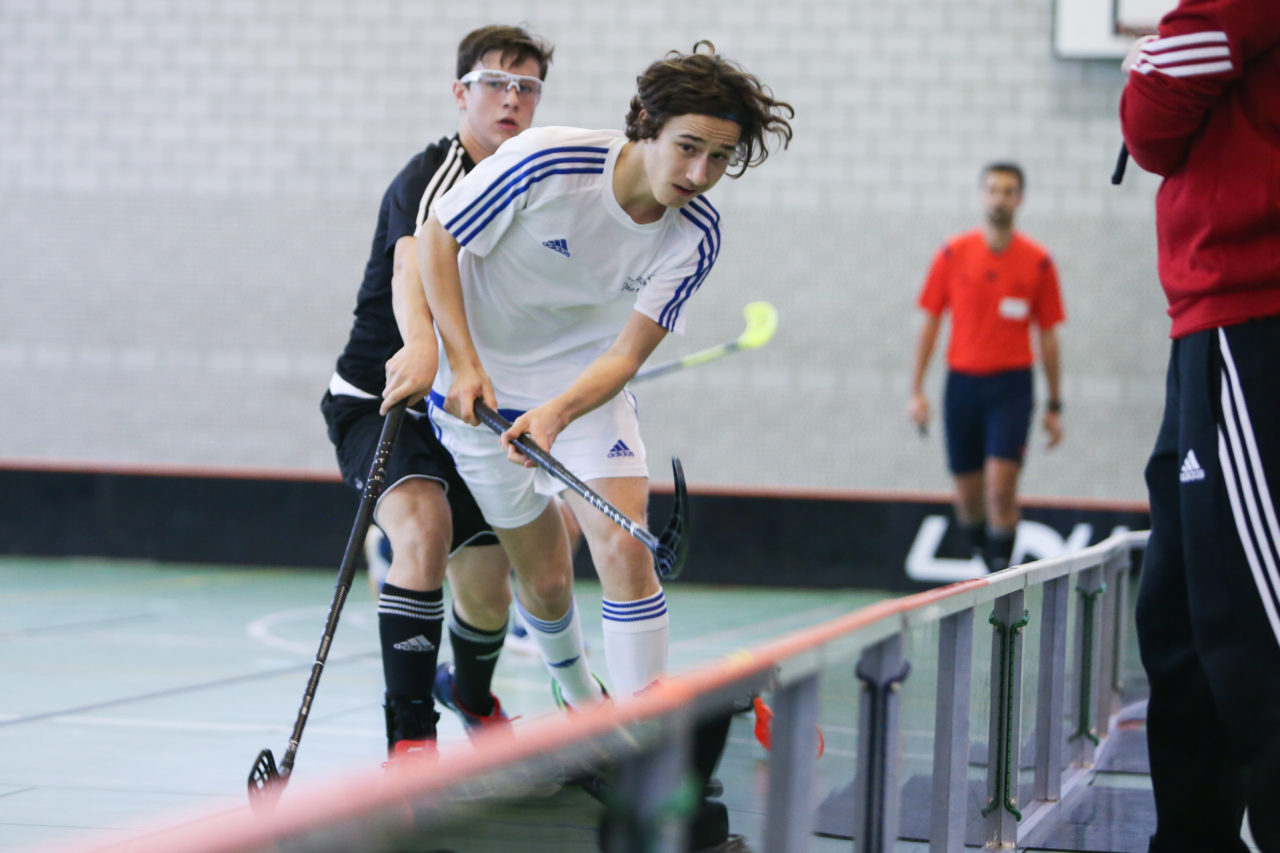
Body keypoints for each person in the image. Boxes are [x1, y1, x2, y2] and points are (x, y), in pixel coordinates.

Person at [390, 42, 793, 710]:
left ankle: (639, 731)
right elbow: (437, 239)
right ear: (646, 124)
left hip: (582, 388)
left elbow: (625, 357)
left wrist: (555, 413)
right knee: (545, 578)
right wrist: (461, 362)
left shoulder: (696, 233)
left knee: (624, 543)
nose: (700, 172)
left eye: (720, 158)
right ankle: (580, 698)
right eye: (688, 146)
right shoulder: (551, 160)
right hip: (476, 390)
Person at [320, 24, 555, 761]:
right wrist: (421, 343)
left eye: (527, 88)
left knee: (487, 586)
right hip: (387, 399)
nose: (511, 99)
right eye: (495, 83)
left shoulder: (535, 186)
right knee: (421, 529)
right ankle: (411, 752)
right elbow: (410, 265)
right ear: (461, 93)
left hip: (470, 408)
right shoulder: (435, 174)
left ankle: (474, 696)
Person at [1119, 2, 1280, 849]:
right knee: (1182, 621)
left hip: (1255, 316)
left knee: (1254, 631)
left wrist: (1147, 61)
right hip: (1212, 327)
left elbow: (1154, 113)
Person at [907, 163, 1066, 573]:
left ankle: (1001, 581)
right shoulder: (952, 253)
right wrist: (916, 390)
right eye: (993, 189)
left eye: (1009, 190)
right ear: (982, 195)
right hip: (962, 385)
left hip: (1011, 387)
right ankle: (986, 562)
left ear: (1020, 199)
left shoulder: (1038, 262)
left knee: (1001, 491)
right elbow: (930, 324)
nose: (1000, 197)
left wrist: (1054, 405)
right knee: (969, 500)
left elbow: (1048, 336)